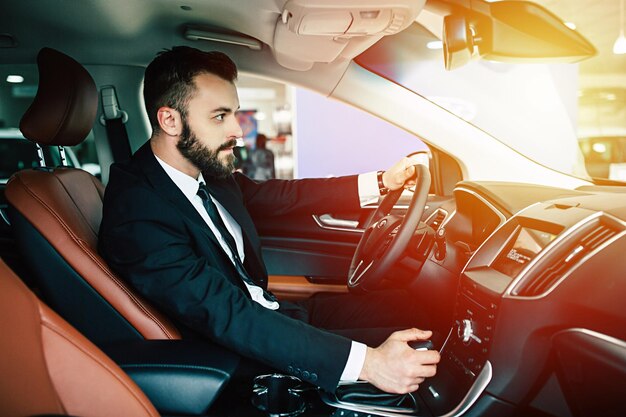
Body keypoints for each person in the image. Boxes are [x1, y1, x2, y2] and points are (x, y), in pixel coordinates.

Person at [99, 46, 440, 395]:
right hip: (240, 355)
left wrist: (381, 183)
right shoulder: (137, 211)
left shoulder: (206, 171)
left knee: (414, 306)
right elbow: (226, 315)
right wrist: (371, 365)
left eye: (234, 113)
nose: (238, 131)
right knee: (427, 351)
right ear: (170, 120)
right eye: (219, 117)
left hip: (274, 312)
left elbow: (280, 196)